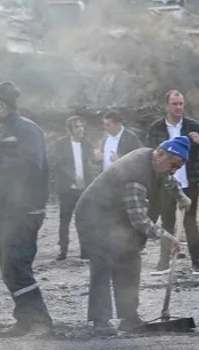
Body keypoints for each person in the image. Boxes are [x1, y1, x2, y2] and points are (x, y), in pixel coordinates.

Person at [75, 138, 189, 333]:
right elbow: (139, 220)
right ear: (161, 154)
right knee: (103, 264)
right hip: (94, 217)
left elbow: (167, 178)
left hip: (118, 219)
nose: (174, 170)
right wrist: (166, 237)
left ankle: (129, 317)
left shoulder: (155, 161)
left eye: (178, 167)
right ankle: (100, 321)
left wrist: (181, 196)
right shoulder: (135, 176)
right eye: (173, 165)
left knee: (130, 261)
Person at [0, 81, 54, 336]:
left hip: (25, 209)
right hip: (6, 210)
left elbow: (32, 166)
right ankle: (25, 320)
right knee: (9, 268)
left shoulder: (26, 129)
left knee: (18, 265)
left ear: (2, 106)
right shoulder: (0, 131)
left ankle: (40, 321)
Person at [145, 90, 199, 276]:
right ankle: (163, 262)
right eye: (174, 104)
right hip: (165, 182)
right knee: (167, 222)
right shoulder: (156, 127)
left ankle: (196, 263)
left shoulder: (193, 125)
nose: (178, 107)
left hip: (189, 181)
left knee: (190, 223)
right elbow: (149, 152)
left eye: (181, 104)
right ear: (166, 106)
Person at [51, 116, 97, 261]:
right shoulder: (60, 144)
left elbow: (93, 160)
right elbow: (57, 164)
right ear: (69, 129)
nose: (80, 129)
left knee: (84, 219)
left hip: (84, 188)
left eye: (82, 126)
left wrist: (98, 158)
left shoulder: (87, 143)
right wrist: (73, 177)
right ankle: (63, 250)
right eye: (77, 127)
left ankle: (85, 250)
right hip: (67, 188)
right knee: (65, 219)